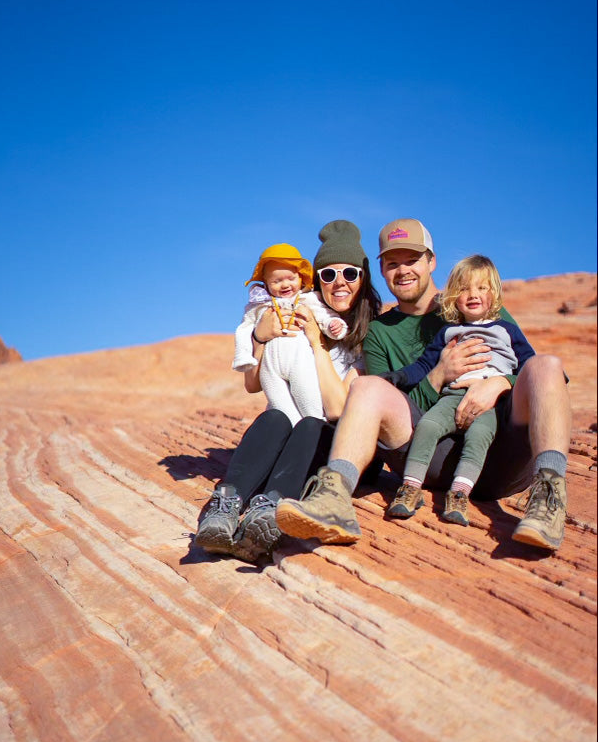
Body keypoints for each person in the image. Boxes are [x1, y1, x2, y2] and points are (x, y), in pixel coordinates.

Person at [276, 218, 570, 551]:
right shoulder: (380, 333)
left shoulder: (472, 302)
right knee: (367, 387)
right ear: (382, 271)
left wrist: (501, 382)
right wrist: (436, 377)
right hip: (429, 459)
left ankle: (549, 497)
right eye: (392, 263)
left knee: (547, 365)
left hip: (500, 457)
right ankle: (333, 498)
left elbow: (528, 368)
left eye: (412, 260)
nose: (402, 271)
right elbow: (389, 407)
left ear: (431, 261)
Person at [194, 220, 382, 563]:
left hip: (328, 437)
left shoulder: (368, 337)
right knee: (274, 418)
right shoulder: (299, 306)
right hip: (288, 427)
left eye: (350, 274)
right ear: (316, 279)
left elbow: (336, 408)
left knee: (311, 424)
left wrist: (317, 344)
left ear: (363, 277)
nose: (339, 283)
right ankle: (224, 506)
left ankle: (269, 509)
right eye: (328, 275)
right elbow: (252, 384)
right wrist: (261, 339)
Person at [383, 254, 536, 527]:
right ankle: (410, 487)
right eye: (464, 289)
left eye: (482, 288)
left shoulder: (507, 331)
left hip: (492, 405)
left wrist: (505, 383)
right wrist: (397, 377)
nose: (473, 294)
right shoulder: (449, 333)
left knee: (478, 435)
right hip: (452, 397)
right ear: (453, 296)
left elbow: (530, 369)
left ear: (495, 293)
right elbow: (423, 366)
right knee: (428, 424)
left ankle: (460, 494)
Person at [232, 243, 348, 426]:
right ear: (266, 284)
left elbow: (324, 315)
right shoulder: (259, 307)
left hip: (299, 360)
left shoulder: (307, 299)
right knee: (281, 410)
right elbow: (244, 329)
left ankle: (316, 430)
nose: (285, 285)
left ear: (301, 278)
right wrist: (246, 350)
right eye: (276, 281)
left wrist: (334, 325)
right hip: (269, 367)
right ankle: (293, 433)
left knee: (309, 402)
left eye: (290, 278)